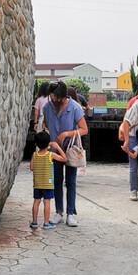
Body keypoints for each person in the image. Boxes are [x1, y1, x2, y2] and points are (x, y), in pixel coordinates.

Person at [42, 81, 88, 227]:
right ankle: (59, 212)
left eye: (57, 99)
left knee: (71, 181)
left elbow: (84, 129)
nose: (55, 102)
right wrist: (45, 130)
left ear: (64, 96)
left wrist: (67, 134)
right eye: (52, 98)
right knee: (56, 181)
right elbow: (44, 123)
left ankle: (70, 214)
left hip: (70, 150)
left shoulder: (74, 107)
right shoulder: (48, 107)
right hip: (54, 151)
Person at [30, 131, 67, 228]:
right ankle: (46, 223)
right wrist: (58, 147)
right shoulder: (51, 155)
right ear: (48, 143)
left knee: (36, 201)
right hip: (48, 184)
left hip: (37, 183)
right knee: (47, 202)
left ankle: (34, 221)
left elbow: (31, 167)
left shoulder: (35, 155)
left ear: (36, 144)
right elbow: (64, 159)